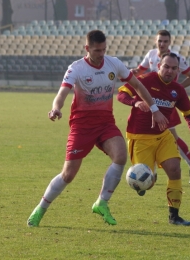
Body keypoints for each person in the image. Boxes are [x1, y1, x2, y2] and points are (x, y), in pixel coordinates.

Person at [27, 30, 168, 227]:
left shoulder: (114, 63)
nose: (101, 54)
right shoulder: (76, 68)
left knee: (120, 156)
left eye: (103, 49)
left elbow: (137, 85)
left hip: (105, 124)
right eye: (96, 50)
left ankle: (102, 203)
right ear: (87, 49)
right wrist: (55, 109)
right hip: (81, 127)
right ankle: (40, 208)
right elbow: (62, 93)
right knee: (68, 175)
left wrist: (154, 109)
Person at [117, 53, 190, 225]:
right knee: (147, 183)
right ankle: (147, 181)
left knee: (175, 169)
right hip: (140, 137)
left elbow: (188, 113)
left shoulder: (177, 90)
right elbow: (121, 94)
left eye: (174, 68)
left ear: (178, 71)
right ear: (159, 66)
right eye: (166, 67)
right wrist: (134, 103)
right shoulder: (144, 80)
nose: (169, 71)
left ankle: (174, 216)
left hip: (163, 136)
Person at [131, 30, 190, 185]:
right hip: (152, 101)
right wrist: (131, 72)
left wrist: (175, 92)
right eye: (160, 41)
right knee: (169, 137)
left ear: (169, 42)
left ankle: (153, 173)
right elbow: (140, 71)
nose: (162, 44)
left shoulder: (176, 58)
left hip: (164, 105)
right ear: (156, 41)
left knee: (166, 137)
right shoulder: (151, 54)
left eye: (165, 41)